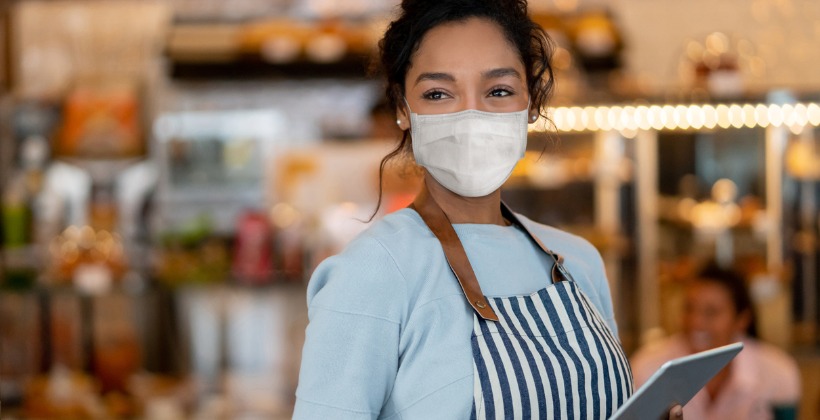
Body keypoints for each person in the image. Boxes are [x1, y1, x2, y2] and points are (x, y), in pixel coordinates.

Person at [294, 1, 647, 418]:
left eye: (498, 91)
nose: (471, 116)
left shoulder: (579, 262)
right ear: (403, 110)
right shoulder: (372, 272)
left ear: (531, 103)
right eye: (438, 93)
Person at [630, 263, 801, 420]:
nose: (695, 322)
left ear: (742, 319)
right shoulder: (647, 368)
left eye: (711, 312)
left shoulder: (777, 371)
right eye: (689, 309)